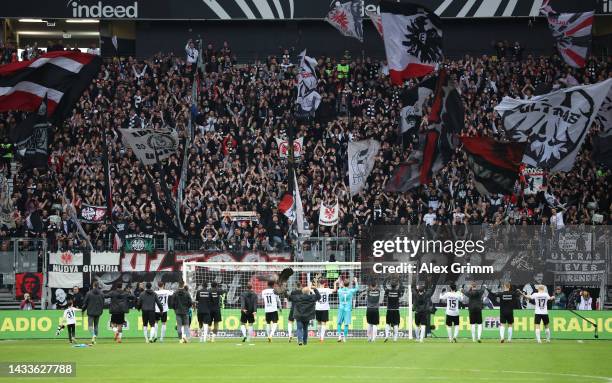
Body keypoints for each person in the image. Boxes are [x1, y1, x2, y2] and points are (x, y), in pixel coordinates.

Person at [336, 276, 359, 342]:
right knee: (346, 324)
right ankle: (344, 338)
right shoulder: (350, 291)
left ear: (343, 284)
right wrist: (356, 281)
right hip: (347, 309)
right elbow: (357, 289)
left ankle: (339, 336)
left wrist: (339, 283)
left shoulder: (339, 291)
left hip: (341, 308)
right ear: (349, 285)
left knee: (339, 323)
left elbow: (339, 288)